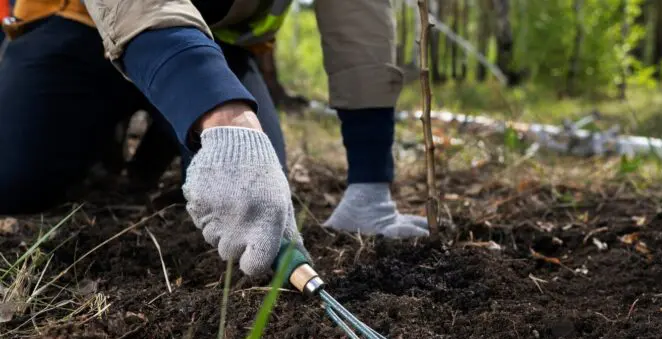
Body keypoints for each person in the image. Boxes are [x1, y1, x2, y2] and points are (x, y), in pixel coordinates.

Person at [0, 0, 430, 278]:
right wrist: (224, 116)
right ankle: (109, 134)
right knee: (16, 178)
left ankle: (169, 128)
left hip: (212, 43)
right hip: (79, 25)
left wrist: (370, 184)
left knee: (256, 203)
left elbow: (358, 17)